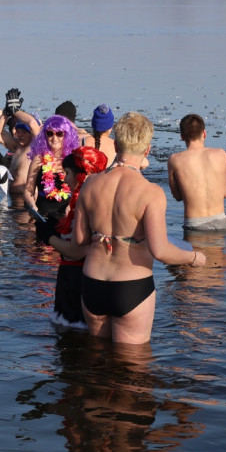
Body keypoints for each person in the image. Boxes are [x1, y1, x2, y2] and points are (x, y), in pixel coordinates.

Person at [73, 112, 205, 344]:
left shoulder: (90, 184)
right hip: (131, 287)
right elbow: (160, 250)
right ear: (147, 150)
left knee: (94, 362)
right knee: (133, 371)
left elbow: (80, 240)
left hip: (93, 281)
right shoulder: (150, 192)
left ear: (116, 144)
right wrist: (193, 257)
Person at [36, 147, 108, 329]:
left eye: (68, 173)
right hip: (78, 278)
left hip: (77, 281)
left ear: (81, 175)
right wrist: (57, 229)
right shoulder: (97, 200)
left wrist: (49, 237)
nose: (65, 178)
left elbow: (77, 252)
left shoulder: (86, 205)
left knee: (71, 343)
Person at [167, 113, 226, 232]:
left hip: (194, 224)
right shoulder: (221, 154)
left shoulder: (175, 160)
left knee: (195, 251)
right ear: (204, 133)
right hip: (221, 221)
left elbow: (177, 196)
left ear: (182, 136)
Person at [23, 115, 81, 234]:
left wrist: (72, 206)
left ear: (66, 135)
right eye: (50, 134)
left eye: (59, 133)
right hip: (43, 214)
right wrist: (32, 205)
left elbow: (80, 188)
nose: (54, 138)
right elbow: (28, 189)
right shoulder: (39, 159)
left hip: (67, 214)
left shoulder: (73, 160)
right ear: (45, 136)